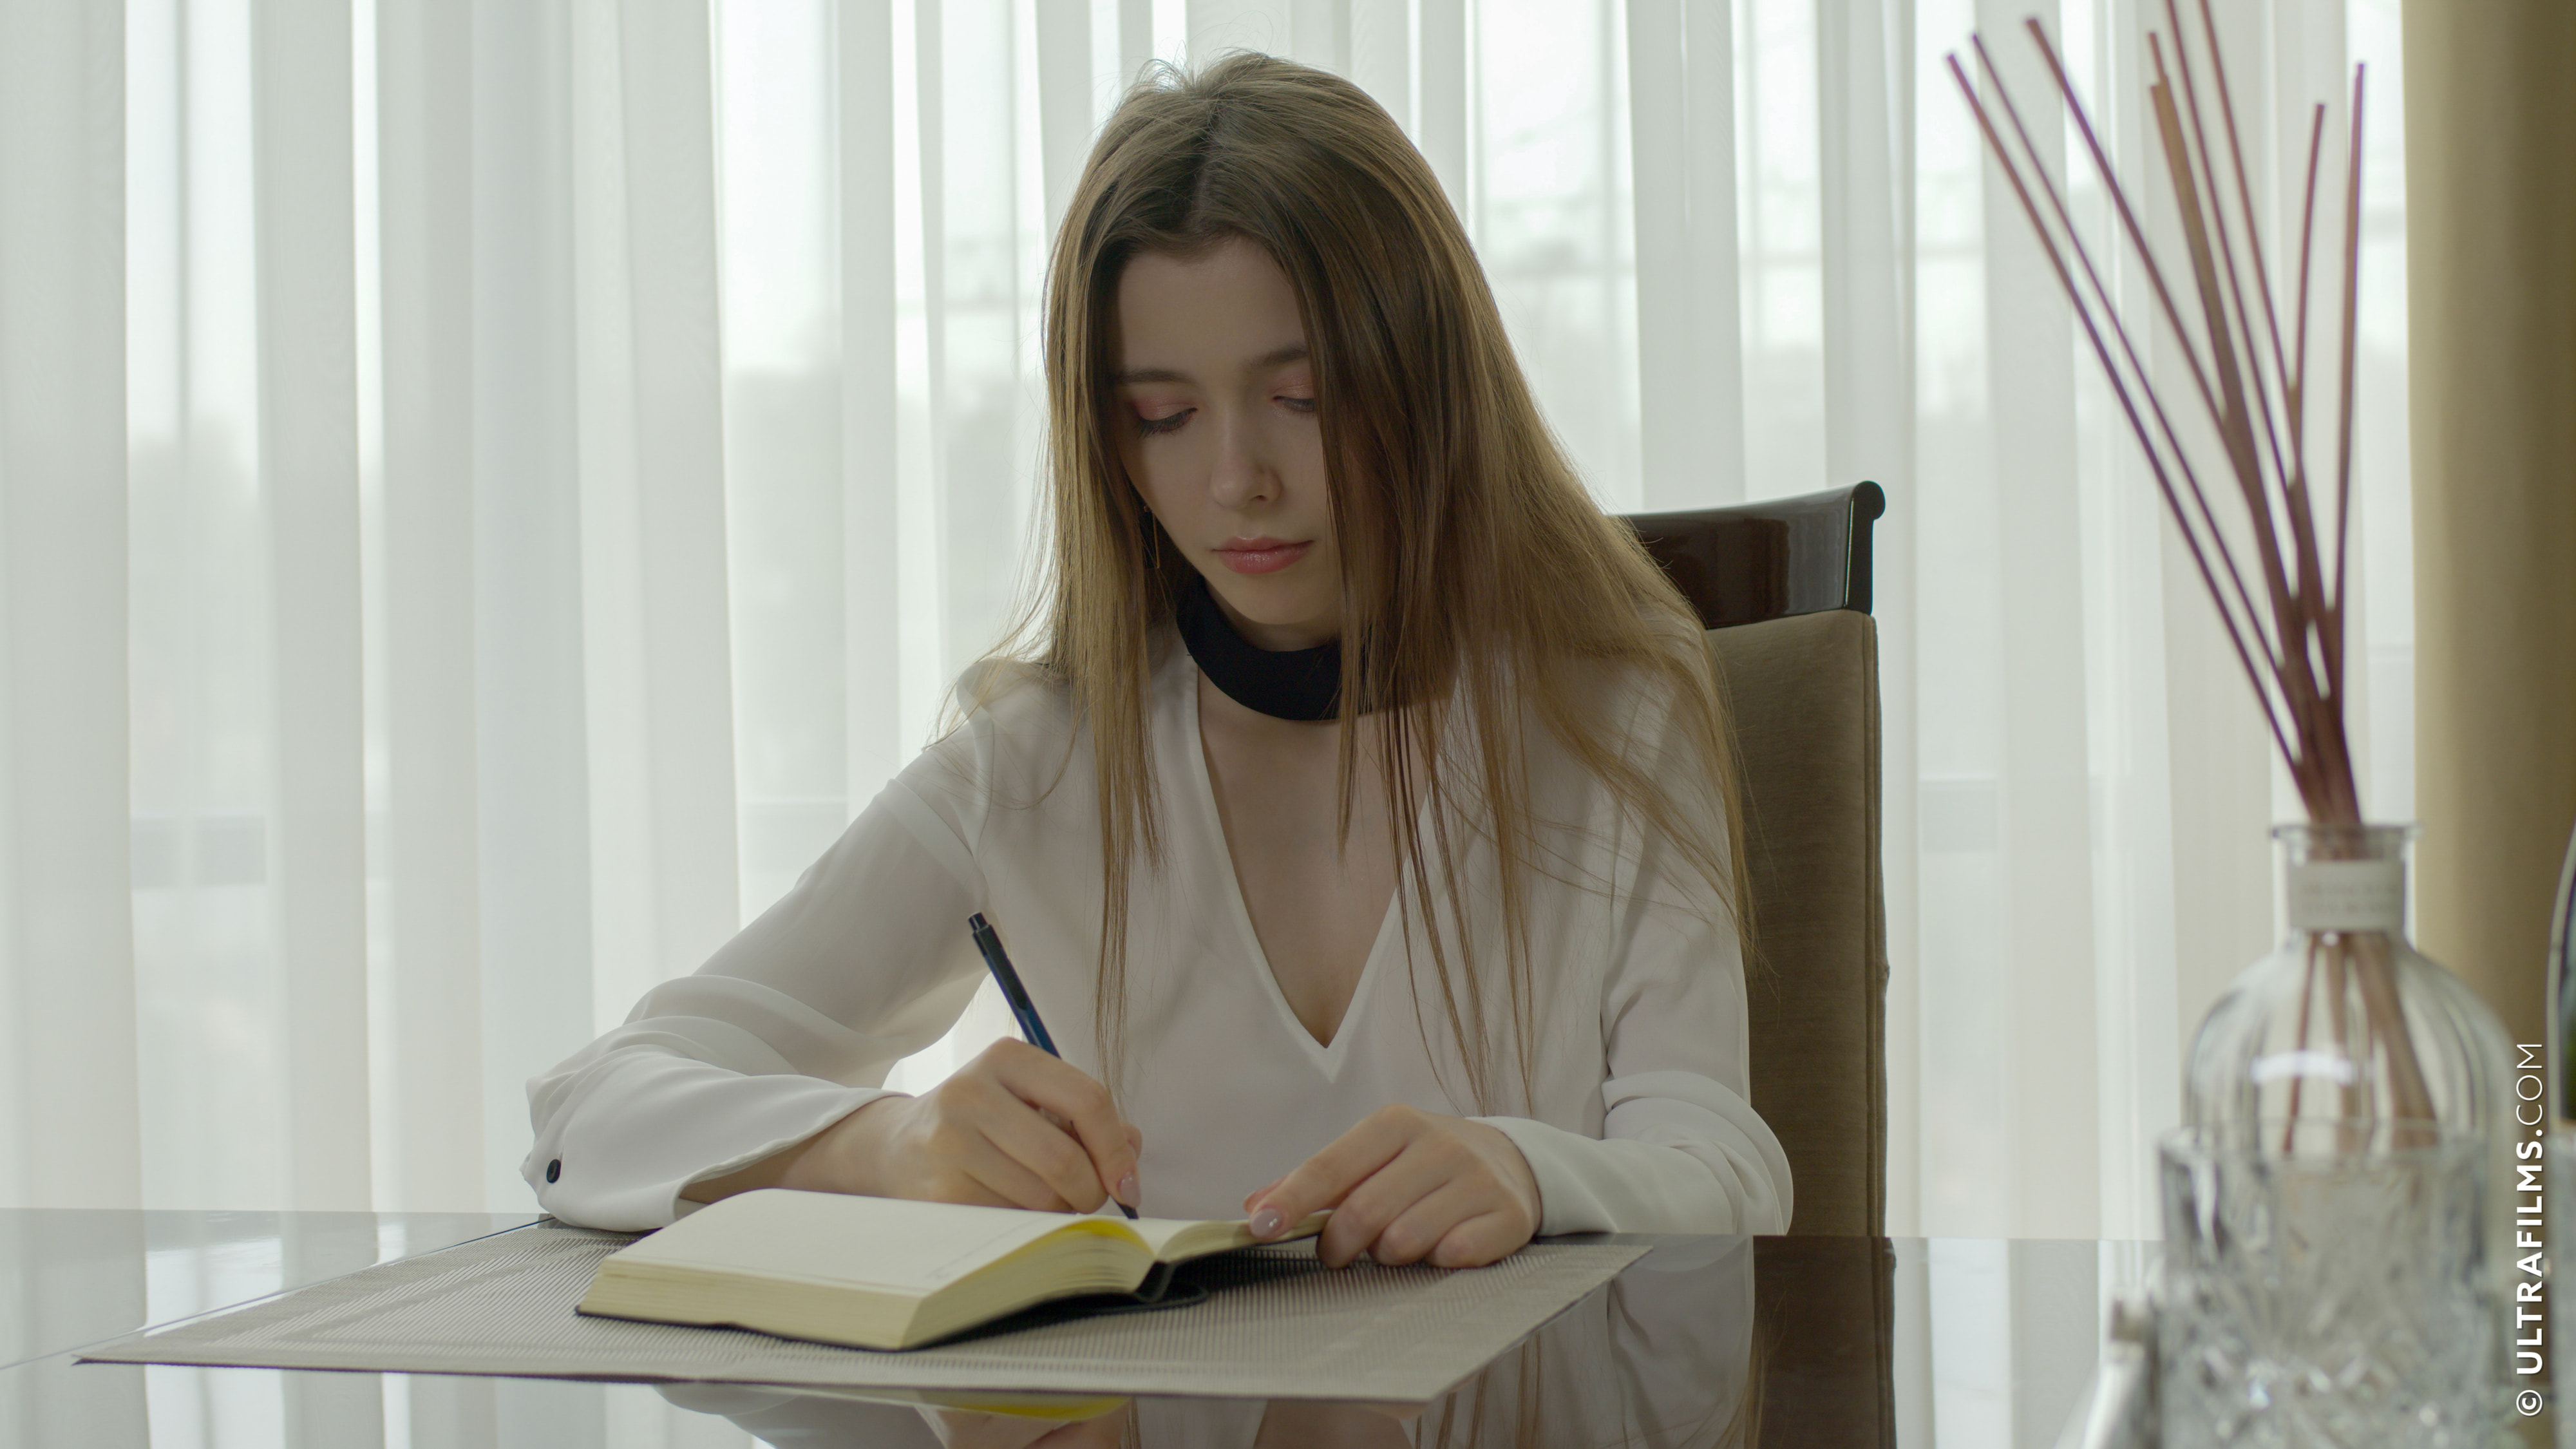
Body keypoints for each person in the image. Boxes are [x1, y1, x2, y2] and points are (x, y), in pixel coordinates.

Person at [524, 52, 1791, 1271]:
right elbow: (589, 1111)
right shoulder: (1034, 764)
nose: (1237, 478)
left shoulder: (1612, 712)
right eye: (1163, 416)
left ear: (1429, 385)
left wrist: (1531, 1172)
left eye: (1302, 398)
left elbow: (1727, 1170)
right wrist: (889, 1143)